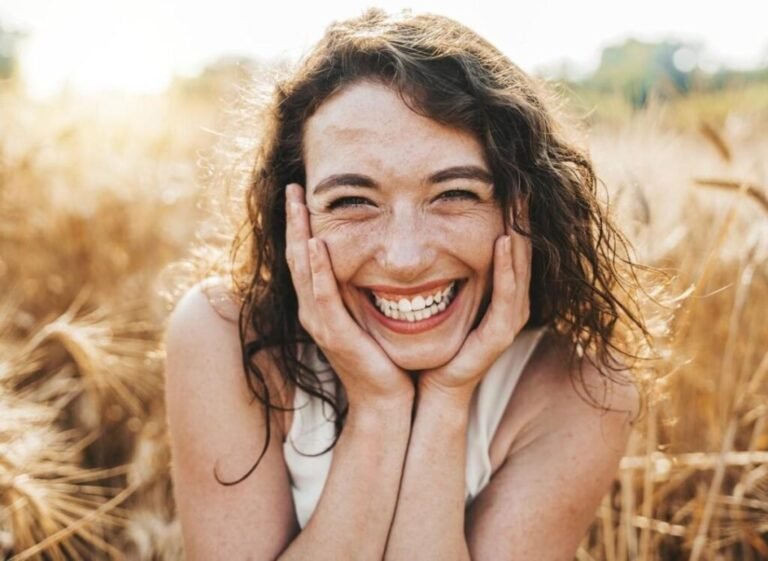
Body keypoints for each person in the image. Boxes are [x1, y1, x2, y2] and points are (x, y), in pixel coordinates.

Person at [164, 8, 664, 560]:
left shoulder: (580, 390)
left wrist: (448, 402)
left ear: (521, 209)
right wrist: (378, 407)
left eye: (454, 194)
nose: (405, 258)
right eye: (352, 201)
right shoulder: (225, 338)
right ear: (297, 218)